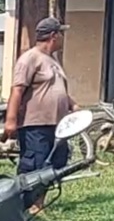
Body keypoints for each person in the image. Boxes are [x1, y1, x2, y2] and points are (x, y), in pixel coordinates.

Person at [5, 16, 77, 174]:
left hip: (57, 124)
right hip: (36, 125)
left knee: (55, 166)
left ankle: (40, 199)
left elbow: (54, 87)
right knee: (36, 167)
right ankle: (30, 199)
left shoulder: (52, 60)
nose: (63, 38)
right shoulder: (30, 59)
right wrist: (11, 120)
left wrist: (72, 104)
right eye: (61, 34)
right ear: (54, 36)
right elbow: (17, 90)